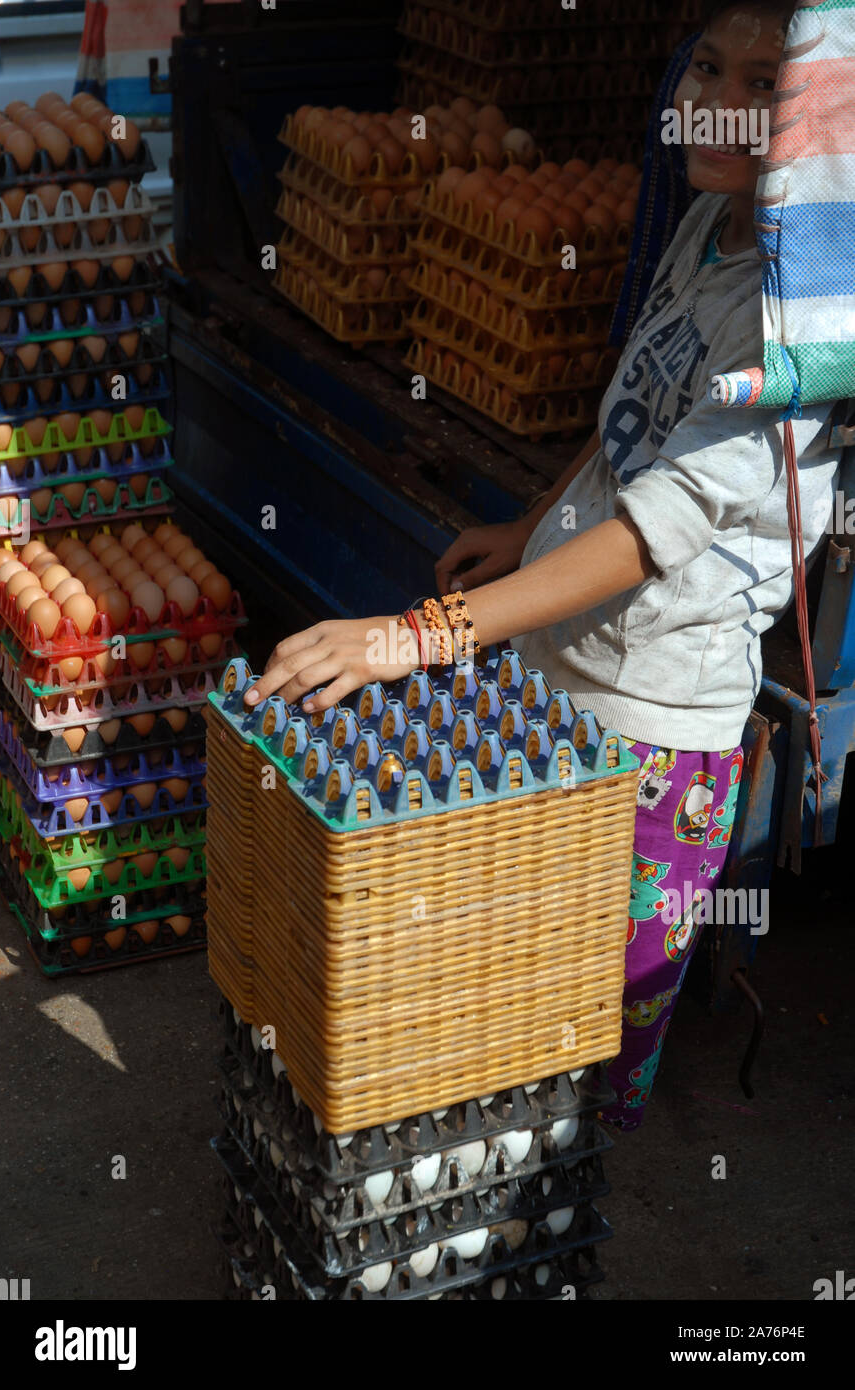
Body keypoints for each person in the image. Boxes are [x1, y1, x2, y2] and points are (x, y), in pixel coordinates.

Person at [245, 0, 841, 1129]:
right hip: (569, 680)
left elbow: (656, 528)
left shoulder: (799, 320)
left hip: (658, 727)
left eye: (763, 83)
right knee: (511, 1002)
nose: (711, 97)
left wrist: (412, 636)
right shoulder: (707, 228)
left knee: (585, 1046)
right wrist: (534, 521)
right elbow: (634, 412)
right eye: (706, 64)